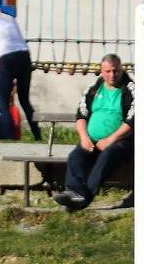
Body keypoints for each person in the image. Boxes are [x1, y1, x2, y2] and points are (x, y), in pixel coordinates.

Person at [53, 54, 135, 211]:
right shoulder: (94, 88)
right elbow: (81, 115)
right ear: (101, 71)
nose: (112, 75)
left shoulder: (130, 89)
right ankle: (73, 192)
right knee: (76, 156)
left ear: (121, 70)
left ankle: (84, 198)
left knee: (107, 156)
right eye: (108, 71)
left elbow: (132, 121)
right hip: (92, 140)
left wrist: (111, 139)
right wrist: (84, 138)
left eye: (115, 71)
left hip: (121, 142)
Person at [0, 0, 41, 141]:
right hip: (24, 56)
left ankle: (10, 137)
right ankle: (38, 135)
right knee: (24, 100)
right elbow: (19, 40)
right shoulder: (9, 18)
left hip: (7, 58)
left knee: (3, 102)